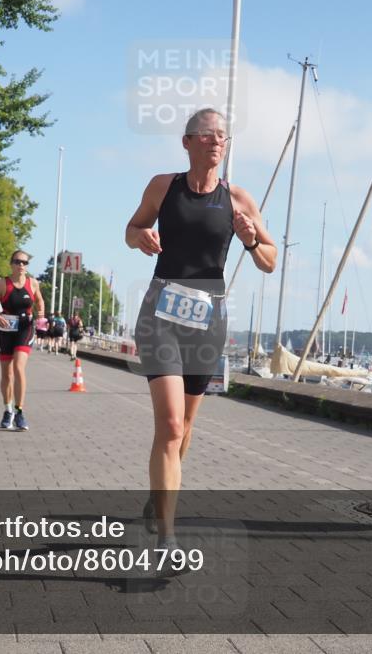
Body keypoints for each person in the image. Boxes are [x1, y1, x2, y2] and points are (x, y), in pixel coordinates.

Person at [125, 107, 277, 554]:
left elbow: (270, 260)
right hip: (161, 318)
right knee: (170, 425)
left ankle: (159, 502)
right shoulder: (163, 186)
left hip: (208, 322)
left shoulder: (238, 200)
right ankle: (167, 539)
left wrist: (250, 239)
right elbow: (132, 228)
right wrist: (141, 238)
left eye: (223, 136)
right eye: (208, 134)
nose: (217, 141)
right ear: (187, 141)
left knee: (185, 427)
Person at [0, 250, 44, 431]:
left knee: (19, 367)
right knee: (7, 374)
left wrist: (41, 314)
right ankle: (7, 410)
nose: (21, 265)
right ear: (11, 264)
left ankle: (20, 412)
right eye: (18, 262)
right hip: (6, 330)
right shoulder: (2, 283)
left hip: (25, 328)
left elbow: (40, 302)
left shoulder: (33, 283)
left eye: (25, 263)